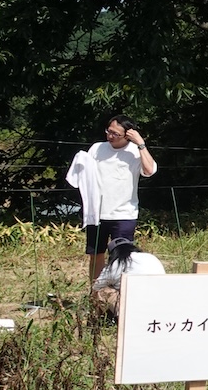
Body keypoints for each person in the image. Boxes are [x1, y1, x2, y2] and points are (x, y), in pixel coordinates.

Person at [67, 116, 158, 286]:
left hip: (124, 213)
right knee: (96, 255)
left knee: (122, 256)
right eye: (109, 131)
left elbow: (149, 170)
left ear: (127, 135)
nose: (110, 136)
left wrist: (141, 143)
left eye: (115, 133)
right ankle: (96, 293)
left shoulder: (135, 151)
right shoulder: (97, 148)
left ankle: (119, 293)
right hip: (97, 213)